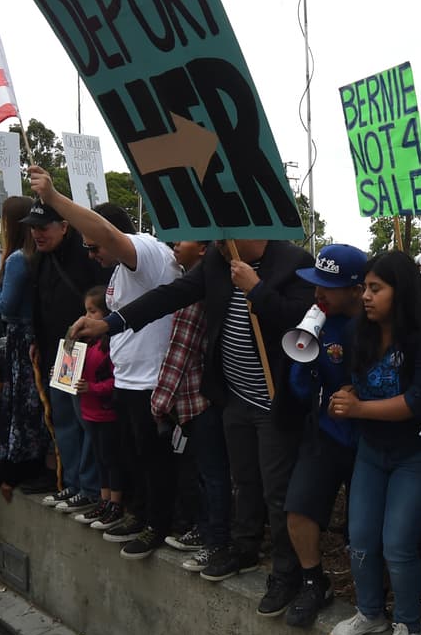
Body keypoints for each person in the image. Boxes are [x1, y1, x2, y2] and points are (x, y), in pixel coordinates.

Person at [72, 226, 314, 614]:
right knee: (245, 480)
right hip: (233, 397)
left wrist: (256, 289)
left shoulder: (294, 262)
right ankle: (244, 548)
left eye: (221, 231)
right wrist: (111, 323)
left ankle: (287, 574)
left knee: (275, 490)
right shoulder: (219, 260)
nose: (214, 240)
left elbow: (297, 324)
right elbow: (170, 296)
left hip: (273, 400)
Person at [39, 167, 182, 558]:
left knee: (156, 461)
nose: (91, 254)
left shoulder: (147, 254)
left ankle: (159, 524)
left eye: (93, 246)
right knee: (133, 456)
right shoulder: (120, 272)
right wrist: (95, 324)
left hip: (153, 381)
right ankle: (140, 513)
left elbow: (106, 236)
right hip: (128, 381)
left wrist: (54, 199)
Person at [325, 251, 421, 635]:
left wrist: (358, 409)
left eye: (377, 289)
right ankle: (371, 613)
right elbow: (351, 384)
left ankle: (410, 627)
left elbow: (418, 402)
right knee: (360, 537)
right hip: (371, 451)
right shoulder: (361, 331)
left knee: (398, 544)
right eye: (365, 288)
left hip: (414, 454)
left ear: (401, 291)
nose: (366, 297)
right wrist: (344, 399)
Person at [278, 244, 366, 627]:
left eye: (327, 287)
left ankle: (374, 598)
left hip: (369, 437)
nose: (318, 294)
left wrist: (358, 394)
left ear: (357, 289)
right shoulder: (317, 320)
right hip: (327, 431)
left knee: (364, 525)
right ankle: (315, 581)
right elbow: (299, 383)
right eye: (316, 284)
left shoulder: (375, 324)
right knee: (298, 508)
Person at [23, 192, 111, 511]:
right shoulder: (41, 260)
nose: (37, 233)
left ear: (64, 226)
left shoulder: (87, 257)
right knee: (64, 422)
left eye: (43, 226)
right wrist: (38, 341)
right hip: (56, 352)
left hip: (85, 352)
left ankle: (88, 487)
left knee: (84, 421)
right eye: (33, 227)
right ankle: (72, 483)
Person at [152, 239, 230, 571]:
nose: (174, 244)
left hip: (196, 398)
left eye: (182, 240)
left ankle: (217, 540)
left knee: (212, 474)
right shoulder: (207, 283)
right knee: (205, 472)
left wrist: (159, 400)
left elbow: (180, 351)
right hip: (199, 398)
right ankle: (208, 530)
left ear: (203, 250)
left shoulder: (193, 292)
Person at [0, 198, 51, 496]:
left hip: (21, 338)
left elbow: (6, 306)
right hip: (39, 337)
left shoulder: (19, 258)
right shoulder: (40, 255)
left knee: (23, 406)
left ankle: (18, 467)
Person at [70, 286, 125, 530]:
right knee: (100, 458)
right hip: (89, 411)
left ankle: (116, 503)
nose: (86, 317)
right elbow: (75, 372)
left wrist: (92, 388)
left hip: (106, 411)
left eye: (92, 312)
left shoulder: (111, 344)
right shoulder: (86, 342)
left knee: (112, 459)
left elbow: (116, 381)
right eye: (85, 311)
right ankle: (104, 500)